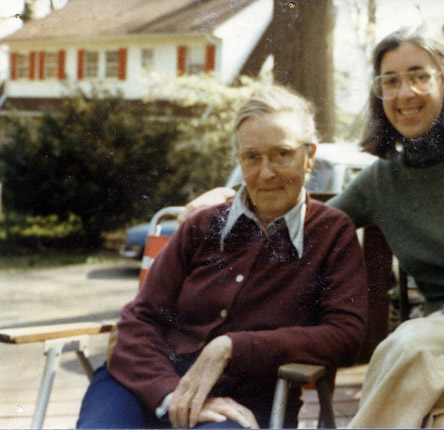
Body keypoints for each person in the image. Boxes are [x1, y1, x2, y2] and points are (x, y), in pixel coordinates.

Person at [185, 27, 444, 428]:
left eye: (419, 76)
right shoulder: (383, 180)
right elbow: (304, 221)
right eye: (390, 81)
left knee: (412, 342)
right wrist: (235, 194)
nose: (404, 93)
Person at [76, 84, 368, 429]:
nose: (267, 172)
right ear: (239, 161)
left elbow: (345, 336)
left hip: (245, 402)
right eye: (252, 156)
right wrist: (172, 396)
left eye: (282, 154)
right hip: (144, 385)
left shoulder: (332, 232)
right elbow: (139, 319)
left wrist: (233, 346)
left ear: (309, 157)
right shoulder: (202, 224)